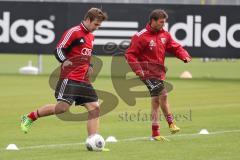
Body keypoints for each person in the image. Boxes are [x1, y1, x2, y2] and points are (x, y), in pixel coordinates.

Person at [21, 8, 107, 140]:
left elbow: (87, 53)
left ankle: (93, 141)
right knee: (62, 108)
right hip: (70, 78)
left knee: (95, 108)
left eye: (99, 25)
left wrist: (89, 65)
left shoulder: (91, 36)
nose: (97, 28)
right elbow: (59, 49)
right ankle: (30, 117)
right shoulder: (74, 32)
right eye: (96, 24)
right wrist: (64, 60)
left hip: (84, 80)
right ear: (88, 20)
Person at [125, 9, 191, 141]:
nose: (163, 25)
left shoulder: (165, 35)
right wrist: (138, 70)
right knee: (164, 94)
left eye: (164, 22)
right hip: (146, 73)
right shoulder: (141, 36)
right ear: (153, 21)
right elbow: (130, 54)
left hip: (159, 73)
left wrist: (184, 55)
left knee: (156, 101)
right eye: (161, 22)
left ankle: (155, 134)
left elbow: (175, 47)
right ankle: (171, 123)